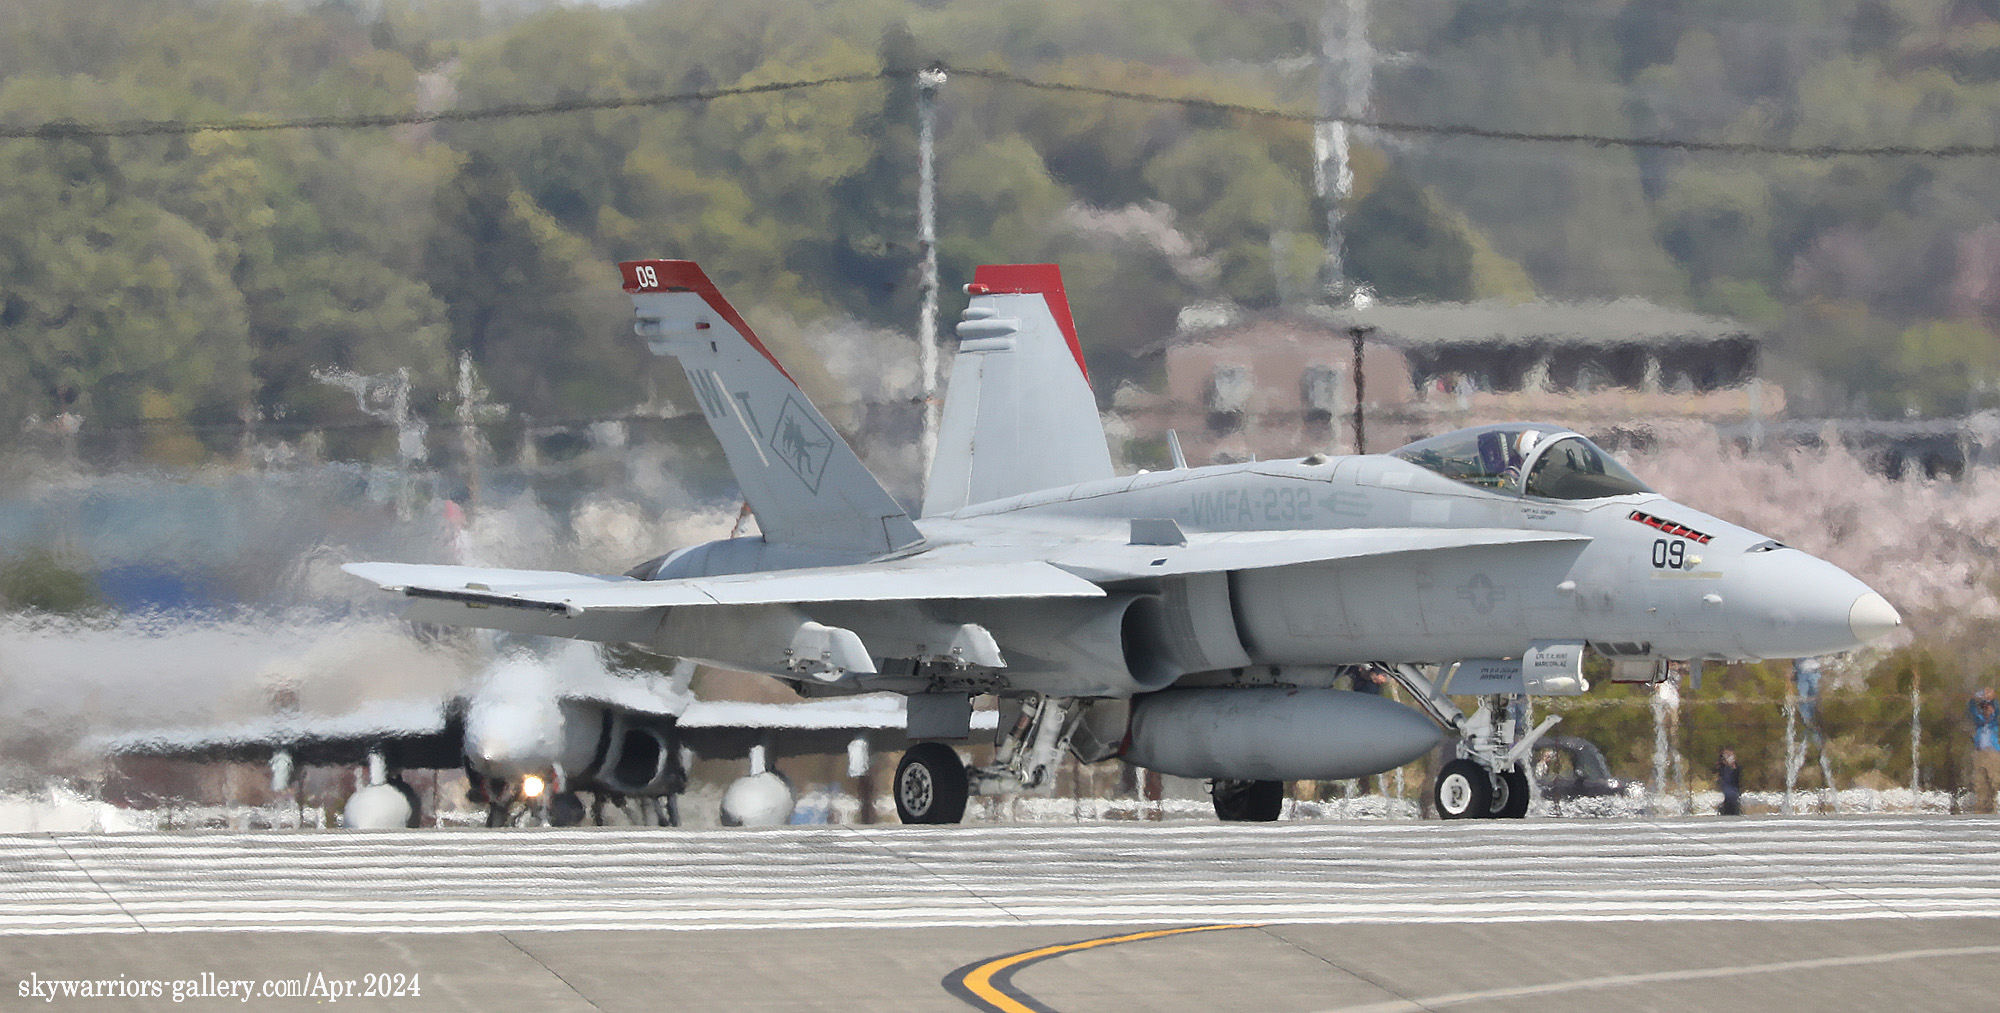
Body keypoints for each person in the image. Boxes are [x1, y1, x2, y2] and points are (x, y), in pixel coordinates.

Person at [1970, 688, 2000, 813]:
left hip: (1993, 753)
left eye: (1989, 708)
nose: (1987, 710)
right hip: (1980, 753)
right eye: (1985, 708)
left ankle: (1994, 803)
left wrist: (1992, 699)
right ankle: (1982, 807)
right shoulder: (1979, 721)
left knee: (1995, 779)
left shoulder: (1994, 722)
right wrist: (1976, 697)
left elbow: (1997, 708)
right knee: (1980, 780)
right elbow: (1971, 708)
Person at [1716, 748, 1742, 816]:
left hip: (1734, 796)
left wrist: (1733, 766)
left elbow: (1737, 778)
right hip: (1728, 797)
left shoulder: (1736, 768)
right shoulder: (1722, 768)